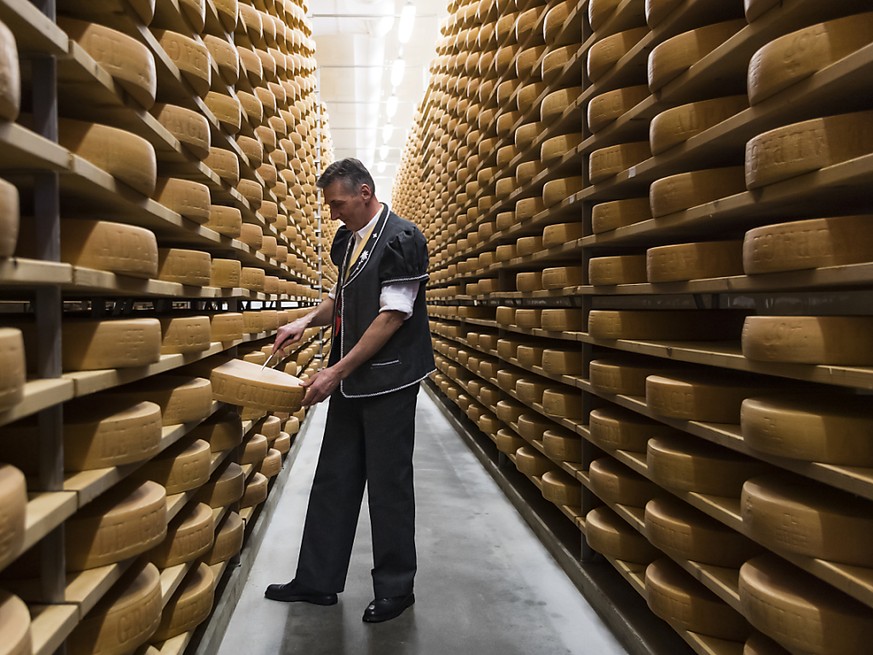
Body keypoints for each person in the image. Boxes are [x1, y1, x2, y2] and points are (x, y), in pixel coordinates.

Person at [264, 158, 435, 623]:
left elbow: (392, 315)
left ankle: (397, 590)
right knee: (334, 477)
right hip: (353, 378)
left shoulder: (403, 239)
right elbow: (342, 296)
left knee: (388, 486)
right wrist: (303, 320)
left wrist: (334, 372)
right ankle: (317, 581)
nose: (333, 213)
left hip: (391, 382)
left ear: (365, 193)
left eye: (338, 203)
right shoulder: (349, 240)